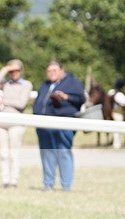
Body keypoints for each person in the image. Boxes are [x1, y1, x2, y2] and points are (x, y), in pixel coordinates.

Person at [33, 60, 86, 192]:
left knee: (63, 152)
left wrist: (66, 97)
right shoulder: (45, 85)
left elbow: (81, 99)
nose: (51, 73)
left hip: (63, 123)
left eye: (54, 70)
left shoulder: (72, 82)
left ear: (62, 71)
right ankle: (48, 183)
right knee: (47, 153)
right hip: (44, 124)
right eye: (49, 71)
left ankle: (66, 185)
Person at [0, 59, 33, 188]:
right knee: (3, 153)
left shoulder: (26, 84)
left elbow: (21, 103)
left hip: (16, 122)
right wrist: (5, 68)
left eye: (16, 70)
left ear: (21, 71)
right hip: (2, 122)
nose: (14, 73)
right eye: (12, 71)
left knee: (14, 153)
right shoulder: (6, 84)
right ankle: (5, 180)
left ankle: (14, 180)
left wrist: (4, 101)